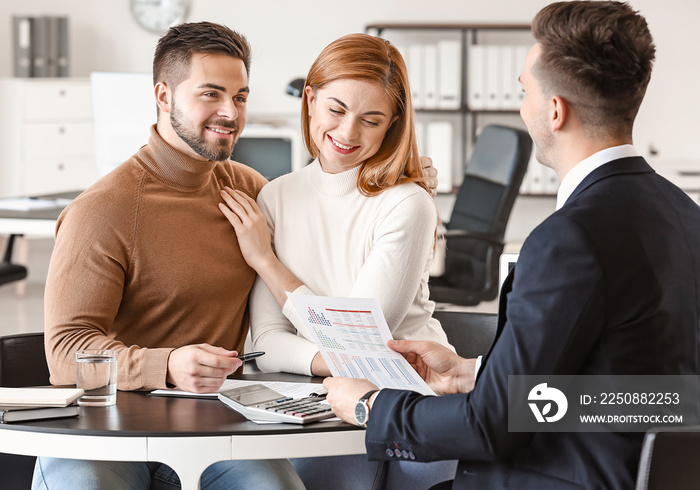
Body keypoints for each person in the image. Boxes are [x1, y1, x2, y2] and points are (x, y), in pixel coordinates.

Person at [322, 2, 700, 489]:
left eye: (525, 92)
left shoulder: (570, 238)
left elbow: (489, 428)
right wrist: (476, 374)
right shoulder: (683, 213)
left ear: (555, 111)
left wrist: (370, 405)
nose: (523, 107)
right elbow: (661, 395)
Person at [34, 21, 306, 490]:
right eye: (211, 94)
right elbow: (65, 352)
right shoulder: (101, 211)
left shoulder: (249, 188)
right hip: (106, 429)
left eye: (240, 97)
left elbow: (328, 229)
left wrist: (400, 180)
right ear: (164, 96)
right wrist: (168, 364)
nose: (230, 112)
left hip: (216, 427)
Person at [218, 33, 457, 488]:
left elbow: (359, 332)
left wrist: (264, 260)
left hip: (413, 398)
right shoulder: (275, 197)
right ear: (309, 99)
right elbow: (267, 345)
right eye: (336, 109)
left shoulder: (406, 203)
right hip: (323, 397)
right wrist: (346, 364)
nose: (348, 133)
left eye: (371, 119)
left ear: (392, 124)